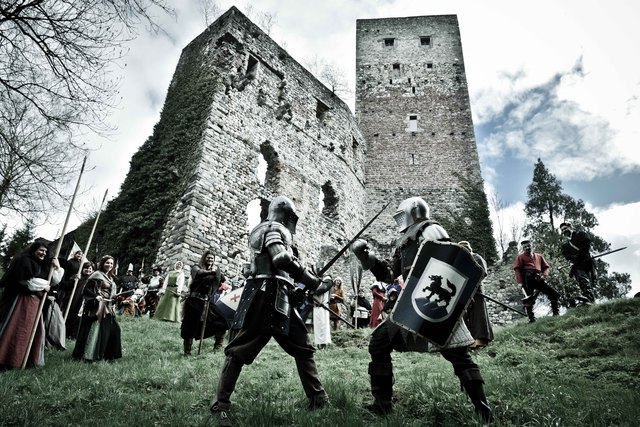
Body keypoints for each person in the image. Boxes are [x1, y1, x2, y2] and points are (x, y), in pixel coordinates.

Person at [351, 197, 492, 422]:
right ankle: (382, 405)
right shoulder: (403, 241)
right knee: (378, 342)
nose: (399, 219)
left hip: (435, 305)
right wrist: (367, 258)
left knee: (458, 355)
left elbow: (449, 262)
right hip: (410, 304)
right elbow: (390, 275)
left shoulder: (431, 229)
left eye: (401, 214)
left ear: (412, 212)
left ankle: (483, 408)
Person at [210, 196, 331, 426]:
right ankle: (220, 405)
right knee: (239, 350)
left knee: (303, 347)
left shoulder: (264, 229)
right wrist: (313, 282)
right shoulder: (272, 228)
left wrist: (297, 289)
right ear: (286, 215)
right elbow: (281, 258)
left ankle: (318, 398)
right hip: (265, 295)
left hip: (279, 293)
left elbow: (280, 272)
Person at [0, 241, 64, 369]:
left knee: (30, 331)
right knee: (16, 329)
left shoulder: (43, 264)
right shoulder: (24, 260)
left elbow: (55, 280)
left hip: (35, 304)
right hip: (21, 301)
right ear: (33, 250)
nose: (43, 253)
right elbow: (27, 281)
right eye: (41, 250)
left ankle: (25, 359)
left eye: (45, 252)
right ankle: (7, 358)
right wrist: (45, 286)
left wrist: (57, 267)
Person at [72, 255, 122, 362]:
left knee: (114, 329)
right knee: (95, 330)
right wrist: (96, 297)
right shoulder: (96, 275)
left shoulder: (110, 278)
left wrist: (115, 297)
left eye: (111, 264)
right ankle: (89, 355)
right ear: (102, 263)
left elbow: (110, 294)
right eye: (107, 263)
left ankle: (107, 355)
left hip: (108, 307)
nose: (109, 265)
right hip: (97, 307)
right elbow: (86, 290)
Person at [181, 251, 227, 355]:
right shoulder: (196, 267)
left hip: (208, 301)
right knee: (190, 326)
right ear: (204, 258)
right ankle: (187, 352)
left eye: (212, 259)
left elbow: (221, 280)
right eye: (208, 258)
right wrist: (212, 273)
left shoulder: (215, 270)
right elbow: (198, 273)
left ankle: (218, 347)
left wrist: (220, 275)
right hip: (195, 301)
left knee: (222, 320)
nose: (210, 260)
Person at [513, 239, 560, 322]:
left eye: (529, 246)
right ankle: (532, 319)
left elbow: (546, 267)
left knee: (553, 294)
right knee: (529, 299)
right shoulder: (520, 257)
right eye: (525, 247)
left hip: (538, 278)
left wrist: (544, 276)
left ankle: (556, 313)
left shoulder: (539, 256)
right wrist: (520, 282)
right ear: (523, 248)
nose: (527, 248)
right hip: (527, 279)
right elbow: (517, 270)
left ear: (532, 246)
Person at [458, 241, 494, 349]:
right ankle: (470, 341)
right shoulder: (460, 261)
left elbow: (481, 273)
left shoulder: (476, 258)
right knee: (466, 315)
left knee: (478, 314)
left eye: (465, 248)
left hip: (476, 289)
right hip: (464, 291)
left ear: (469, 249)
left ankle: (481, 340)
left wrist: (472, 288)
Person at [559, 222, 596, 303]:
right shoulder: (566, 245)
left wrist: (577, 257)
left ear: (570, 227)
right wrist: (573, 259)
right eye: (562, 230)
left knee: (589, 280)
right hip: (577, 264)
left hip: (586, 261)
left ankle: (590, 297)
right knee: (580, 279)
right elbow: (567, 256)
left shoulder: (580, 234)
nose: (564, 231)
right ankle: (589, 298)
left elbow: (586, 246)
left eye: (565, 228)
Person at [65, 261, 94, 339]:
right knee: (71, 314)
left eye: (90, 268)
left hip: (84, 300)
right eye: (86, 268)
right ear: (82, 269)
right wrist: (74, 280)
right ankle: (66, 332)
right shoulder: (77, 277)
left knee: (79, 317)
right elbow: (67, 286)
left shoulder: (92, 279)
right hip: (74, 299)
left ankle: (75, 335)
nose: (88, 270)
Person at [312, 282, 331, 349]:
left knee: (324, 326)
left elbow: (323, 290)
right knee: (318, 326)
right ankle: (318, 344)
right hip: (317, 307)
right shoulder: (316, 286)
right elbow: (313, 295)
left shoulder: (327, 285)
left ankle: (324, 344)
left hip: (324, 307)